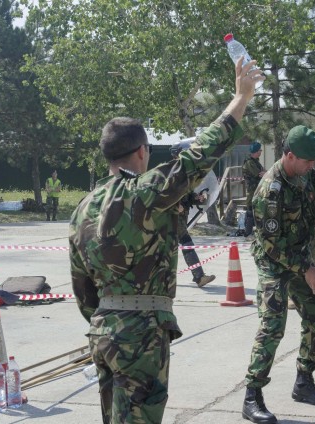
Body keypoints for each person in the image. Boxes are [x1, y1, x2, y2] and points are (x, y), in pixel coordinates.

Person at [68, 59, 264, 424]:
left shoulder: (83, 209)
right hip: (141, 333)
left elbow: (82, 288)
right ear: (143, 151)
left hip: (102, 331)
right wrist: (241, 97)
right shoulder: (144, 190)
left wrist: (106, 319)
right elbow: (200, 153)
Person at [242, 125, 315, 424]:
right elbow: (270, 244)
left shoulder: (307, 174)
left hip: (302, 258)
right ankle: (252, 395)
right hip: (274, 262)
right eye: (307, 162)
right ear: (289, 156)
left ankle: (304, 381)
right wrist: (306, 269)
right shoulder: (270, 190)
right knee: (273, 324)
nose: (311, 167)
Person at [169, 142, 216, 288]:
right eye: (184, 152)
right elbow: (165, 194)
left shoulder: (183, 171)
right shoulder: (171, 172)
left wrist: (198, 197)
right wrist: (176, 206)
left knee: (168, 247)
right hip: (173, 216)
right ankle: (199, 276)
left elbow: (187, 194)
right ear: (177, 154)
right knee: (186, 243)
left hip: (180, 216)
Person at [242, 141, 266, 239]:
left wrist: (264, 173)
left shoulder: (255, 162)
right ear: (256, 151)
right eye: (260, 150)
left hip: (257, 190)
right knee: (250, 212)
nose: (261, 152)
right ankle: (247, 233)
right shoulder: (249, 162)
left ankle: (255, 232)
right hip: (252, 191)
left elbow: (264, 173)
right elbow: (260, 174)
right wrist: (264, 173)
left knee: (257, 211)